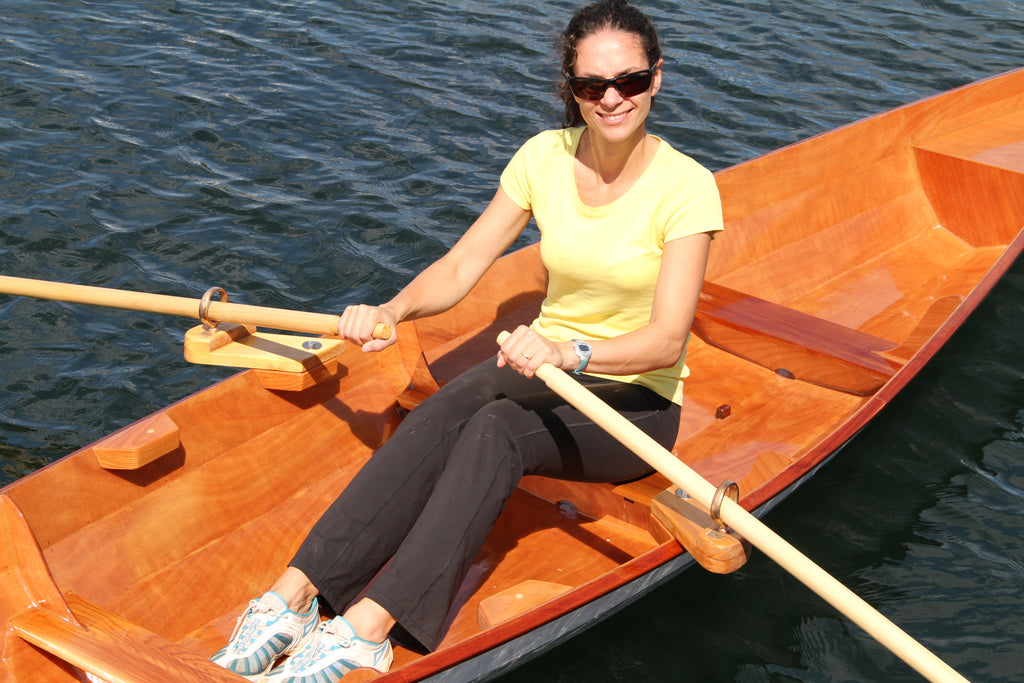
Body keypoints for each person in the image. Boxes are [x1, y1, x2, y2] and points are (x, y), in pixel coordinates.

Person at [211, 1, 723, 680]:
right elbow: (460, 266)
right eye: (592, 85)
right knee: (451, 404)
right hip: (549, 370)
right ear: (571, 89)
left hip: (634, 401)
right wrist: (393, 308)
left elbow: (664, 340)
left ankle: (369, 627)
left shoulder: (687, 189)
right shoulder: (544, 157)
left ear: (656, 78)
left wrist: (571, 352)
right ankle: (296, 596)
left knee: (497, 429)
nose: (611, 98)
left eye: (628, 80)